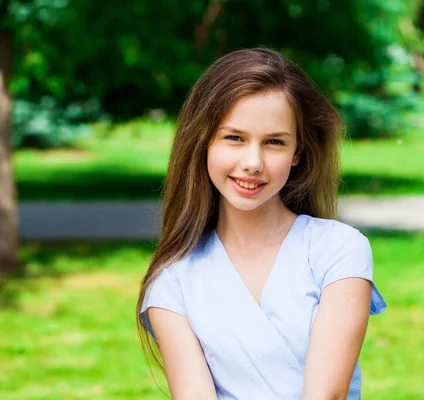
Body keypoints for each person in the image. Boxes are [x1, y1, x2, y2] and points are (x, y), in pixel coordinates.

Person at [136, 48, 386, 400]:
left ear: (297, 152)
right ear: (203, 142)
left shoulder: (338, 249)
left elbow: (326, 395)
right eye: (234, 138)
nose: (252, 163)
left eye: (274, 142)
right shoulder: (172, 282)